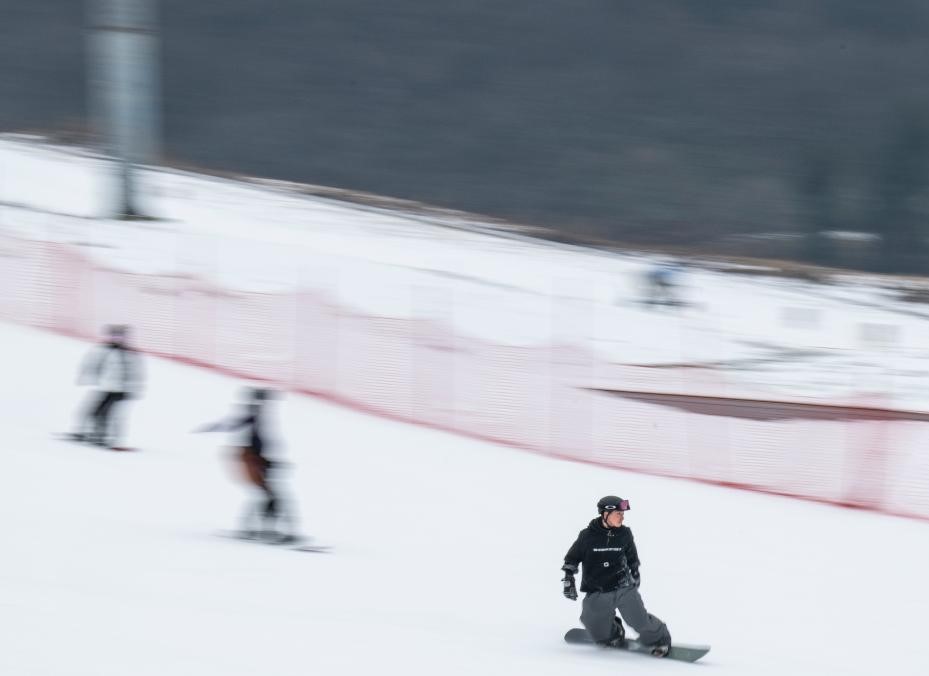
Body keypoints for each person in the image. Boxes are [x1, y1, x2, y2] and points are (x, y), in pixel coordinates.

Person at [561, 495, 671, 656]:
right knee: (593, 622)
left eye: (623, 514)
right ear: (605, 513)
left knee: (638, 619)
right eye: (618, 513)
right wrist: (568, 579)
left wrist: (635, 574)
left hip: (623, 586)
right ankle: (614, 633)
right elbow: (572, 558)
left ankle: (660, 640)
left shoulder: (624, 534)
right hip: (597, 588)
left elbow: (632, 558)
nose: (622, 517)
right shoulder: (587, 536)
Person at [195, 387, 297, 543]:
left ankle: (256, 528)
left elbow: (243, 430)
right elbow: (235, 425)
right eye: (264, 401)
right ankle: (265, 530)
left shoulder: (256, 414)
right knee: (269, 496)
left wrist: (271, 461)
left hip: (256, 458)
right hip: (250, 458)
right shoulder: (253, 414)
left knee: (267, 496)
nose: (266, 405)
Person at [71, 324, 144, 449]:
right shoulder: (103, 350)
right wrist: (87, 378)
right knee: (92, 410)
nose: (117, 339)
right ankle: (88, 432)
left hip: (121, 390)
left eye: (120, 336)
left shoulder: (130, 353)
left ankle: (110, 437)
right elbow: (91, 364)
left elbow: (136, 372)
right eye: (114, 336)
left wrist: (135, 388)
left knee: (112, 414)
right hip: (105, 387)